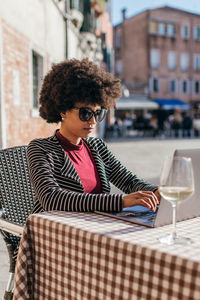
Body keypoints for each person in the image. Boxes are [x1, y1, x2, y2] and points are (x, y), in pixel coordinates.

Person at [27, 58, 160, 215]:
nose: (93, 121)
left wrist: (158, 192)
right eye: (85, 113)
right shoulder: (40, 149)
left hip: (94, 227)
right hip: (54, 231)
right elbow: (51, 199)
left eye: (98, 113)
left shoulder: (97, 147)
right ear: (63, 110)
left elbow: (128, 181)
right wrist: (121, 201)